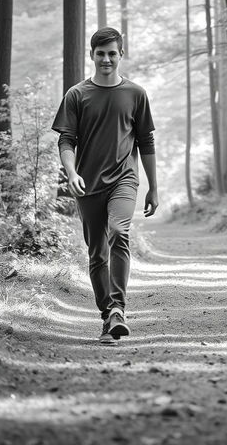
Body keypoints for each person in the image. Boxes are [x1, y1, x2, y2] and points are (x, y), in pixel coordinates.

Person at [52, 27, 158, 345]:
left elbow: (146, 141)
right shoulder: (77, 95)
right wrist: (71, 172)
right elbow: (66, 140)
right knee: (97, 253)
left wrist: (154, 188)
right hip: (87, 184)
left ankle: (118, 311)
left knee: (119, 231)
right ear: (92, 55)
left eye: (112, 53)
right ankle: (106, 315)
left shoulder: (136, 94)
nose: (107, 59)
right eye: (101, 53)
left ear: (121, 54)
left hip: (125, 178)